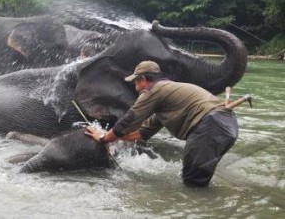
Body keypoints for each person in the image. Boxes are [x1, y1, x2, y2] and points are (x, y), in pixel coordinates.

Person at [85, 60, 238, 187]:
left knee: (193, 185)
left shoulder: (154, 90)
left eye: (135, 82)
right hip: (226, 125)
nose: (135, 87)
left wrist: (104, 137)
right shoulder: (168, 95)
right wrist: (114, 139)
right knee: (198, 178)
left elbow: (130, 119)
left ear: (143, 80)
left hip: (209, 126)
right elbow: (141, 133)